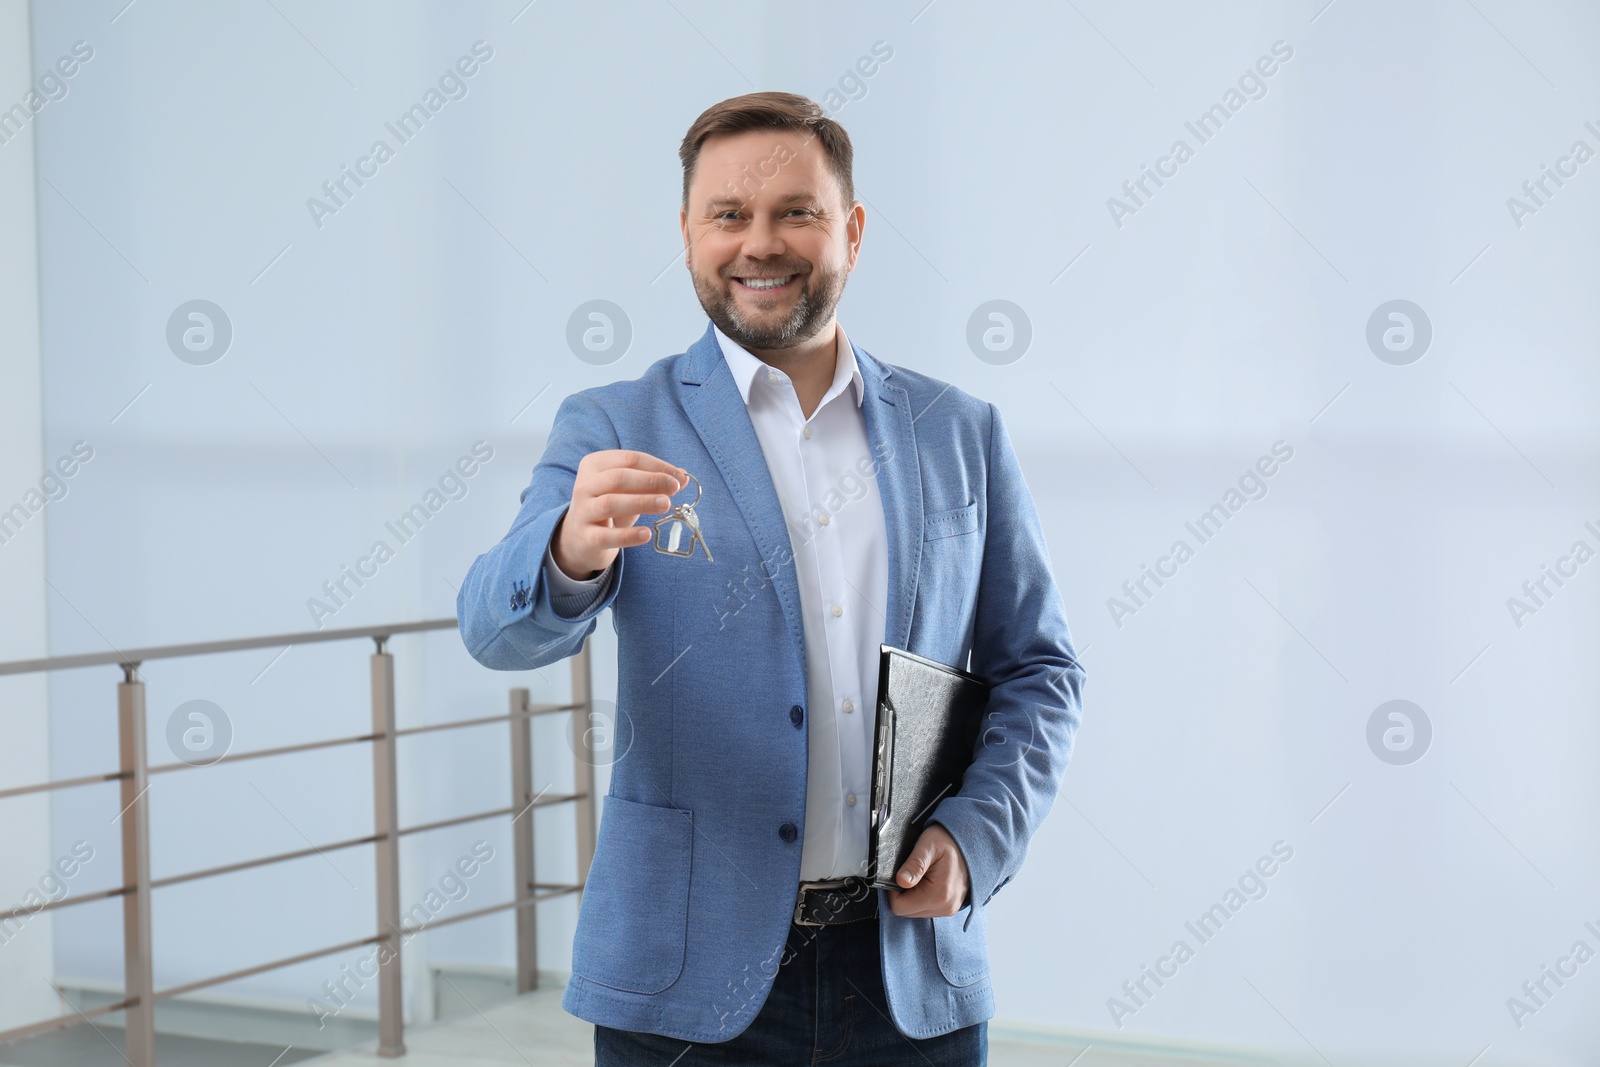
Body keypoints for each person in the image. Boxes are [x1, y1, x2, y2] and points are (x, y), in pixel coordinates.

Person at [457, 90, 1085, 1067]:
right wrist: (567, 551)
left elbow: (1040, 670)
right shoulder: (613, 422)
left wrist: (976, 837)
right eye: (728, 214)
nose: (761, 242)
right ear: (687, 233)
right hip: (681, 982)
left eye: (797, 210)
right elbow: (497, 634)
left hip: (911, 974)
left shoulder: (960, 432)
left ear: (851, 230)